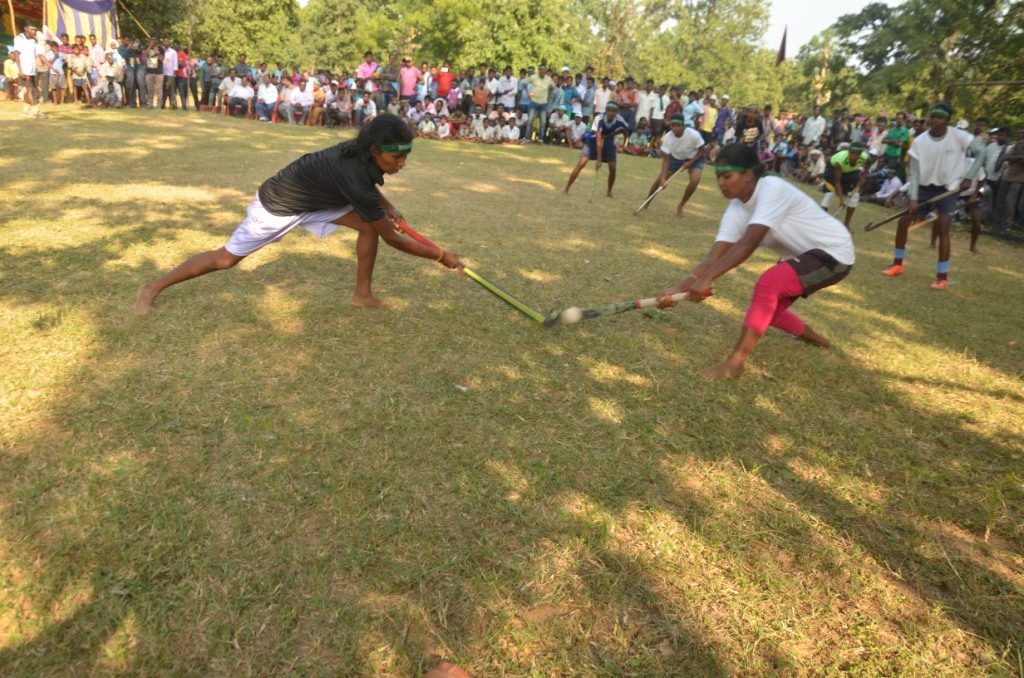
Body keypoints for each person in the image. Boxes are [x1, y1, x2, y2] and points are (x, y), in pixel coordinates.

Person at [135, 114, 462, 315]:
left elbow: (366, 192)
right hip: (278, 206)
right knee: (225, 259)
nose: (400, 165)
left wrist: (387, 207)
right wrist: (439, 255)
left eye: (405, 159)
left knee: (369, 226)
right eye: (395, 159)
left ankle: (362, 296)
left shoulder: (361, 154)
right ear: (375, 150)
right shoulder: (354, 173)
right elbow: (393, 238)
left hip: (315, 199)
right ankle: (151, 288)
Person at [655, 142, 855, 379]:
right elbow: (715, 255)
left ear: (749, 175)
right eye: (718, 177)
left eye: (727, 176)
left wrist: (707, 280)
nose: (721, 183)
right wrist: (680, 287)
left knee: (769, 284)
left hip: (834, 253)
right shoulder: (736, 208)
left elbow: (748, 243)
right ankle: (819, 341)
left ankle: (735, 363)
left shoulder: (772, 188)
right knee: (768, 311)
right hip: (802, 256)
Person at [882, 103, 985, 290]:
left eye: (939, 117)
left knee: (943, 227)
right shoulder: (920, 141)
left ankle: (942, 277)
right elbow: (913, 172)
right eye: (933, 116)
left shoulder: (959, 136)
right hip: (923, 188)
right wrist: (913, 198)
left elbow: (982, 152)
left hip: (948, 189)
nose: (934, 120)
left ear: (947, 120)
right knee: (904, 221)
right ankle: (897, 264)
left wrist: (969, 177)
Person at [641, 115, 706, 216]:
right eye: (672, 125)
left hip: (695, 157)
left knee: (695, 179)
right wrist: (663, 179)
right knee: (659, 181)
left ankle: (681, 205)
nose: (675, 128)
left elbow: (702, 150)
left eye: (678, 125)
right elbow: (666, 160)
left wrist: (690, 162)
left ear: (683, 126)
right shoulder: (668, 137)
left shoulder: (693, 134)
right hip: (676, 158)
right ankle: (647, 201)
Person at [563, 102, 630, 197]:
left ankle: (609, 192)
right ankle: (567, 187)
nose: (611, 113)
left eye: (614, 111)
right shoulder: (599, 118)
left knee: (613, 167)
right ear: (606, 111)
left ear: (616, 112)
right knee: (582, 163)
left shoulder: (620, 120)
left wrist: (624, 144)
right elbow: (599, 139)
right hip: (593, 140)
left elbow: (625, 130)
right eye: (609, 110)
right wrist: (599, 159)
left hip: (608, 141)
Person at [819, 142, 868, 229]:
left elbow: (866, 170)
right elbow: (837, 181)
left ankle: (846, 224)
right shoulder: (840, 160)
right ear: (848, 152)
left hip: (851, 171)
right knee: (830, 193)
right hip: (833, 173)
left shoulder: (866, 158)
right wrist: (841, 199)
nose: (855, 156)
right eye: (853, 153)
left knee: (855, 196)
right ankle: (820, 220)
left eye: (858, 154)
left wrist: (862, 178)